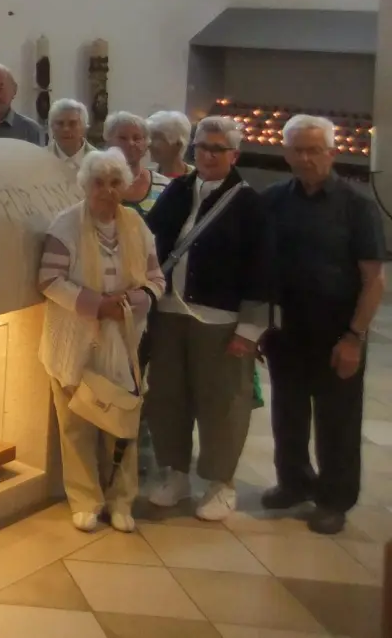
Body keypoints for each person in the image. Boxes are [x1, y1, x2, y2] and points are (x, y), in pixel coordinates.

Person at [261, 115, 386, 535]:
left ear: (332, 153)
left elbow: (374, 280)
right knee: (288, 413)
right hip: (286, 331)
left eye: (314, 149)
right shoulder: (275, 199)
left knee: (338, 421)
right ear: (286, 153)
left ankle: (334, 499)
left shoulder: (357, 207)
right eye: (297, 149)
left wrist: (355, 337)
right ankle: (294, 483)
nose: (305, 157)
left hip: (337, 333)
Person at [142, 116, 271, 522]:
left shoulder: (250, 204)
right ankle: (174, 472)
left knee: (222, 404)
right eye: (202, 147)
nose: (208, 155)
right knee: (167, 397)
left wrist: (249, 331)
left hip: (220, 321)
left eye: (217, 149)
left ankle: (220, 483)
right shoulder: (179, 190)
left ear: (234, 154)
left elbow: (264, 270)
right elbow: (148, 239)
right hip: (168, 313)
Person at [38, 149, 165, 533]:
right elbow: (48, 280)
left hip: (121, 342)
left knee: (121, 421)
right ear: (85, 185)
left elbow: (157, 281)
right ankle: (85, 500)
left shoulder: (138, 227)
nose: (107, 191)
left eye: (115, 183)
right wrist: (97, 306)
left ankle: (122, 500)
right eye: (99, 183)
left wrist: (135, 301)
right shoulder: (65, 226)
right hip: (75, 340)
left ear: (124, 186)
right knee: (76, 424)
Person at [105, 112, 171, 217]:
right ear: (108, 142)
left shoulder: (165, 186)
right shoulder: (97, 183)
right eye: (123, 138)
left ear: (146, 144)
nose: (131, 143)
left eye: (137, 138)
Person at [48, 99, 96, 172]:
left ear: (84, 127)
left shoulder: (99, 160)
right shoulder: (39, 159)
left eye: (72, 123)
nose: (66, 129)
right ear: (51, 127)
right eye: (60, 123)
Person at [146, 111, 193, 178]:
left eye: (156, 138)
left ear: (178, 144)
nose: (149, 143)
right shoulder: (147, 180)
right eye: (150, 137)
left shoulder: (198, 180)